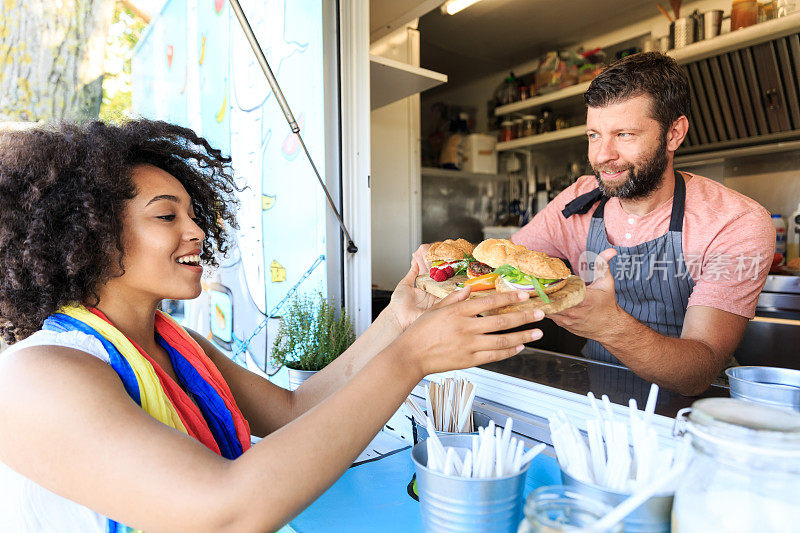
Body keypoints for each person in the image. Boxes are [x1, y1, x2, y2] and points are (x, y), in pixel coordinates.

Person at [0, 120, 546, 532]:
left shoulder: (173, 342)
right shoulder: (39, 377)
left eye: (194, 212)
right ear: (90, 234)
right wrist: (412, 358)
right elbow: (227, 512)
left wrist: (398, 321)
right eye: (167, 216)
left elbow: (292, 412)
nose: (195, 231)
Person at [415, 53, 774, 396]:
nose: (602, 155)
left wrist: (609, 326)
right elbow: (506, 262)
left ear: (674, 133)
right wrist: (453, 263)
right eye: (594, 135)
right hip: (594, 397)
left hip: (689, 417)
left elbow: (699, 370)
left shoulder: (734, 222)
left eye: (625, 134)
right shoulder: (581, 198)